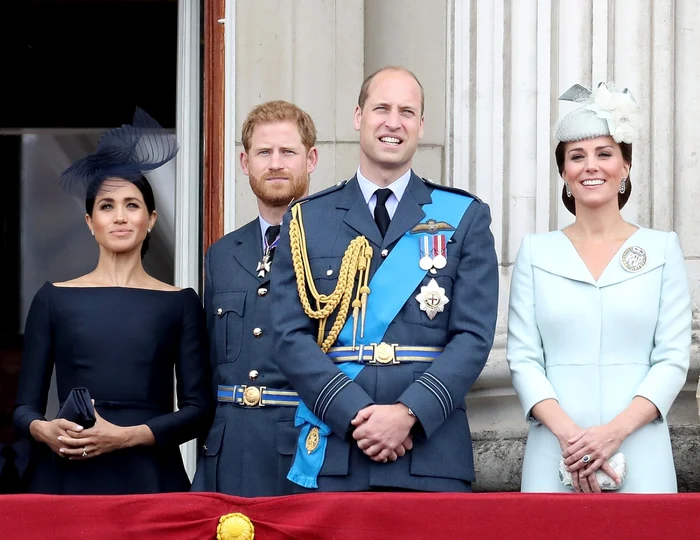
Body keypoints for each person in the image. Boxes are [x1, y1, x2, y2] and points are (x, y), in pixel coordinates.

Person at [270, 66, 499, 492]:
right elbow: (288, 335)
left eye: (407, 112)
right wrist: (354, 412)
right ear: (359, 116)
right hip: (338, 446)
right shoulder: (307, 219)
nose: (394, 122)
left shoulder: (463, 216)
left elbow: (473, 336)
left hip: (430, 451)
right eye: (382, 108)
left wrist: (409, 413)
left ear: (421, 126)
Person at [13, 109, 212, 494]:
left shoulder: (181, 303)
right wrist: (44, 429)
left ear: (151, 219)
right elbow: (24, 411)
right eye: (107, 206)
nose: (120, 217)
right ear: (90, 221)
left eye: (132, 205)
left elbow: (199, 411)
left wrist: (126, 436)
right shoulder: (53, 299)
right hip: (68, 474)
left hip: (150, 476)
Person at [506, 83, 691, 493]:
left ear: (625, 167)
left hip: (641, 447)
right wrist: (574, 440)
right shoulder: (536, 253)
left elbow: (672, 359)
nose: (591, 166)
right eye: (577, 156)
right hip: (556, 450)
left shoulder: (660, 249)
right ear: (564, 173)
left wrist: (612, 434)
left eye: (604, 154)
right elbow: (523, 359)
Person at [191, 100, 318, 496]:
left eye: (288, 152)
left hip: (302, 452)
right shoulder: (222, 253)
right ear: (245, 163)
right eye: (264, 152)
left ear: (310, 159)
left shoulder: (338, 245)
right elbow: (211, 365)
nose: (275, 163)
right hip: (226, 453)